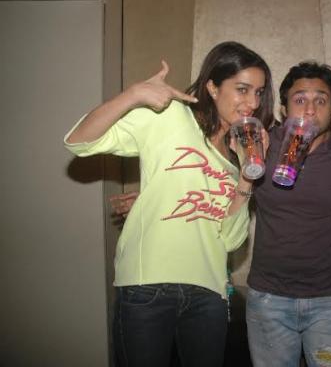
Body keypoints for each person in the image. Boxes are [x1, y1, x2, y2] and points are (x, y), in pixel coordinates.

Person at [64, 41, 274, 367]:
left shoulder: (236, 161)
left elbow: (231, 240)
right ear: (213, 87)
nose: (253, 102)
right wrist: (134, 94)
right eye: (242, 89)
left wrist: (247, 177)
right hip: (147, 286)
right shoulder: (171, 117)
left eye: (259, 93)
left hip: (209, 294)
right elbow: (79, 141)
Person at [246, 62, 331, 367]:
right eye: (300, 99)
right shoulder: (259, 146)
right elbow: (217, 183)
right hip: (268, 300)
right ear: (284, 108)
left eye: (320, 100)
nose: (310, 109)